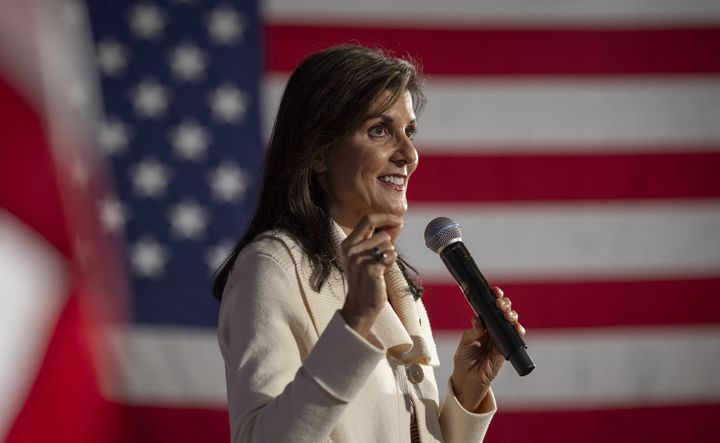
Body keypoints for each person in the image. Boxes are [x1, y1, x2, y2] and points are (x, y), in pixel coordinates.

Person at [213, 44, 525, 442]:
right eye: (379, 130)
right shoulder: (272, 266)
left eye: (408, 132)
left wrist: (468, 391)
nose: (409, 154)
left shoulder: (397, 283)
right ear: (319, 152)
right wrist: (354, 323)